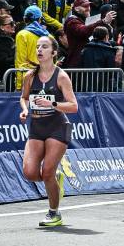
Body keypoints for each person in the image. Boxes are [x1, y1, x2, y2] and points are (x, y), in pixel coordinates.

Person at [19, 34, 79, 228]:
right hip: (36, 126)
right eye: (37, 47)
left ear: (53, 52)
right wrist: (25, 110)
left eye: (44, 47)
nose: (39, 50)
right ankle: (55, 178)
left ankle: (54, 213)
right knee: (29, 172)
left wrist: (52, 103)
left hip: (57, 126)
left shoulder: (61, 76)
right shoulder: (29, 76)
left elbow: (73, 106)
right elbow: (24, 97)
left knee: (46, 173)